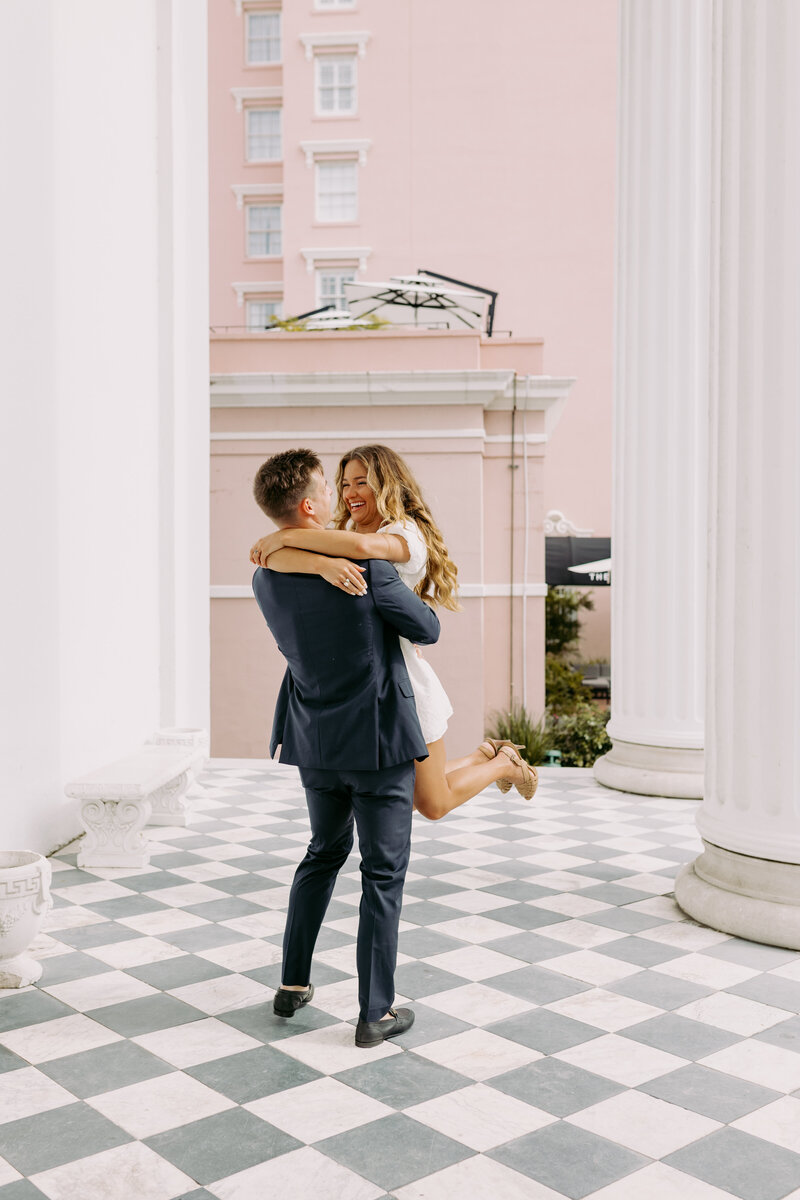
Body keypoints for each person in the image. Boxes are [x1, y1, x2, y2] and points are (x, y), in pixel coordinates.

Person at [251, 448, 441, 1048]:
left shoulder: (265, 574)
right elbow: (428, 629)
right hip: (379, 744)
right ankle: (374, 1014)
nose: (340, 499)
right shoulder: (370, 572)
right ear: (310, 505)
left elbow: (281, 553)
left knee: (322, 853)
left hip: (314, 741)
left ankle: (292, 983)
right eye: (329, 492)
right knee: (381, 874)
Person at [250, 443, 538, 820]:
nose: (350, 492)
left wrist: (282, 537)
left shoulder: (406, 533)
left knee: (432, 804)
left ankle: (505, 763)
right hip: (377, 681)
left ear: (386, 485)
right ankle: (484, 754)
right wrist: (312, 561)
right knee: (416, 788)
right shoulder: (344, 533)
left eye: (361, 482)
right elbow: (270, 562)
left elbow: (364, 548)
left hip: (406, 681)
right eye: (344, 483)